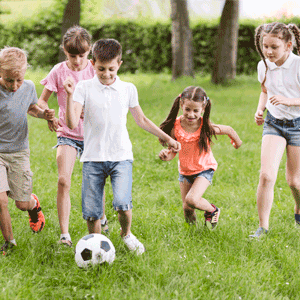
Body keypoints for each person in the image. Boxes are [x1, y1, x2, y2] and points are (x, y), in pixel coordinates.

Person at [64, 38, 181, 255]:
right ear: (92, 64)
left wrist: (168, 138)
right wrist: (70, 95)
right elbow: (71, 123)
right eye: (101, 69)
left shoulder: (128, 89)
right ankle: (97, 244)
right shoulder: (83, 87)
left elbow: (142, 120)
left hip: (121, 156)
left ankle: (126, 234)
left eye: (111, 69)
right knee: (92, 212)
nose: (106, 74)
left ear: (120, 64)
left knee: (122, 203)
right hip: (92, 158)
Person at [38, 26, 108, 247]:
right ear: (64, 51)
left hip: (92, 135)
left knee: (95, 182)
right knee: (63, 180)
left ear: (90, 52)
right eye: (72, 55)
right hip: (67, 134)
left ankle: (102, 216)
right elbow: (42, 101)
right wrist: (47, 113)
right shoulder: (58, 71)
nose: (77, 60)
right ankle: (65, 235)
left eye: (82, 55)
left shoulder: (96, 71)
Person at [158, 86, 242, 228]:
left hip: (204, 169)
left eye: (195, 110)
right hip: (185, 171)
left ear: (203, 108)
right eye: (188, 109)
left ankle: (212, 210)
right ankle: (193, 234)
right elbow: (173, 151)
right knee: (187, 208)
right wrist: (167, 155)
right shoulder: (175, 127)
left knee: (191, 199)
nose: (191, 114)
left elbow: (229, 129)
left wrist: (237, 143)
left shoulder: (205, 127)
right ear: (181, 105)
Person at [0, 47, 55, 255]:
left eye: (19, 80)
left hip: (18, 152)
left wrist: (45, 115)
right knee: (1, 199)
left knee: (21, 204)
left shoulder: (28, 87)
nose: (14, 86)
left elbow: (31, 108)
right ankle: (9, 242)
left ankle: (33, 205)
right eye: (8, 80)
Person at [250, 22, 300, 238]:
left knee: (294, 181)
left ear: (288, 45)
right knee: (267, 175)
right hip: (274, 123)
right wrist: (260, 109)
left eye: (274, 47)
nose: (268, 51)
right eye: (265, 46)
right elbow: (264, 90)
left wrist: (288, 101)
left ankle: (298, 208)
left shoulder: (298, 65)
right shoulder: (264, 65)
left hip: (297, 125)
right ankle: (263, 227)